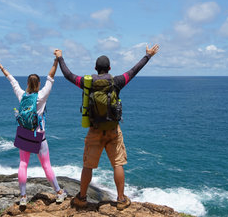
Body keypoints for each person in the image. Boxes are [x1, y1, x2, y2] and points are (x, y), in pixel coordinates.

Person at [54, 44, 160, 210]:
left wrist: (60, 57)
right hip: (113, 130)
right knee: (118, 164)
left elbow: (68, 75)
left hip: (94, 130)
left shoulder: (86, 82)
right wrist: (148, 56)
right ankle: (121, 199)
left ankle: (81, 198)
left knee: (88, 165)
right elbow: (133, 71)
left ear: (95, 68)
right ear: (109, 68)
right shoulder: (117, 81)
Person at [0, 54, 67, 206]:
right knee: (46, 165)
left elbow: (12, 80)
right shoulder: (41, 96)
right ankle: (59, 192)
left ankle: (23, 197)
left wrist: (1, 67)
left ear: (27, 83)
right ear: (38, 84)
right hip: (38, 136)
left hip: (24, 134)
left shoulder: (21, 95)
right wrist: (56, 60)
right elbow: (51, 76)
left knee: (23, 164)